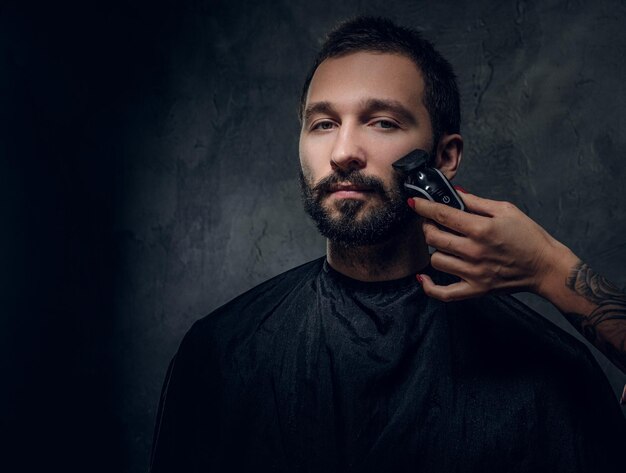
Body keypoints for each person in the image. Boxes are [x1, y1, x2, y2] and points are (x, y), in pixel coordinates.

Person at [149, 17, 626, 472]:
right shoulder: (222, 355)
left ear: (444, 156)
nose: (342, 153)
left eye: (382, 122)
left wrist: (548, 266)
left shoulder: (549, 374)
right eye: (323, 124)